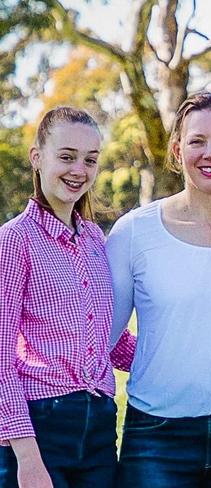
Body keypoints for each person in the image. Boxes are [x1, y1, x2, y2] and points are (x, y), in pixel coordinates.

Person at [106, 91, 211, 487]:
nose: (210, 152)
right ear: (176, 149)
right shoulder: (134, 232)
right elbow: (99, 335)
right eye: (197, 141)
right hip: (156, 440)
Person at [0, 107, 132, 488]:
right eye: (67, 156)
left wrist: (177, 360)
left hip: (101, 428)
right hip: (40, 425)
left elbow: (110, 340)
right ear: (37, 157)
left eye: (90, 160)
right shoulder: (14, 241)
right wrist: (27, 457)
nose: (79, 170)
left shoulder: (94, 239)